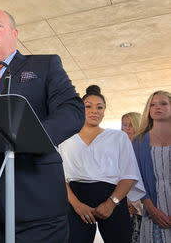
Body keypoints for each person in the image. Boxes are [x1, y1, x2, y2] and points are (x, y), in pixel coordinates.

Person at [0, 9, 85, 242]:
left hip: (35, 202)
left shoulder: (45, 65)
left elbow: (72, 111)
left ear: (15, 33)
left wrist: (28, 138)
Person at [59, 85, 145, 243]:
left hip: (112, 197)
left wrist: (111, 203)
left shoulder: (119, 137)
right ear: (80, 108)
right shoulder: (65, 139)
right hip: (75, 199)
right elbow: (59, 177)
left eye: (100, 107)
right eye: (88, 106)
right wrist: (77, 205)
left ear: (104, 111)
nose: (94, 111)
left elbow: (129, 175)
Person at [133, 91, 171, 242]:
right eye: (153, 105)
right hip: (152, 208)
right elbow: (135, 177)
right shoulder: (139, 140)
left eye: (163, 104)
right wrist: (152, 210)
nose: (157, 107)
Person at [122, 112, 143, 243]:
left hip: (141, 203)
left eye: (131, 125)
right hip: (122, 201)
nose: (127, 128)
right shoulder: (120, 148)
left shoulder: (143, 148)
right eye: (125, 125)